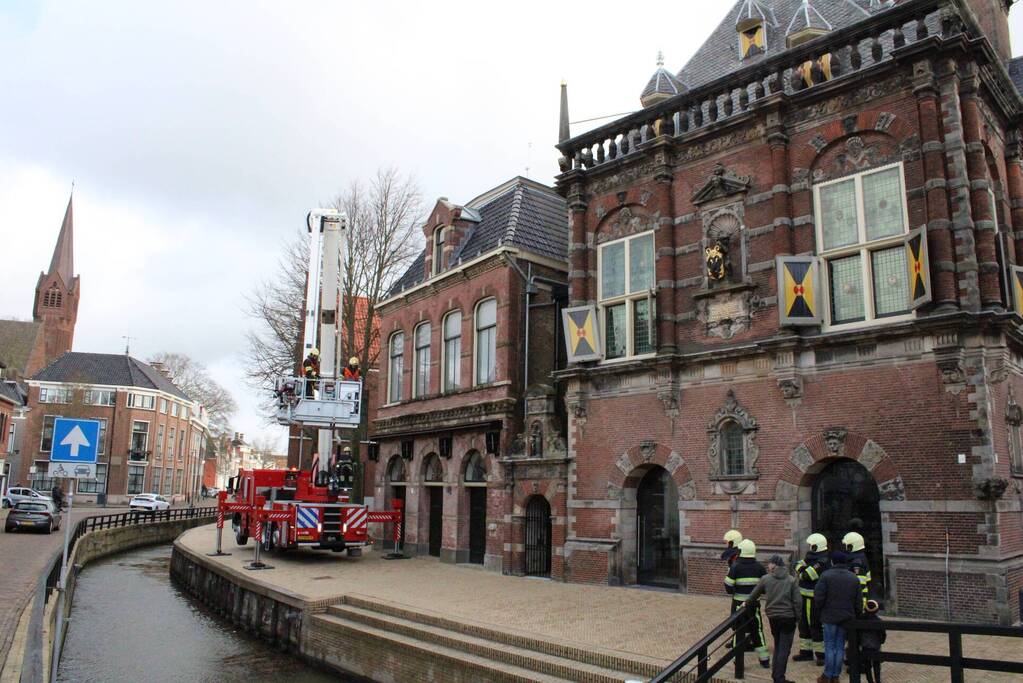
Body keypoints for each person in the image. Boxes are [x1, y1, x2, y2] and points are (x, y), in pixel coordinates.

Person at [749, 555, 801, 683]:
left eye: (769, 564)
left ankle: (776, 675)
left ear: (774, 565)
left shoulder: (766, 579)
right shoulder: (791, 580)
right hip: (789, 617)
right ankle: (779, 678)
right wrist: (798, 618)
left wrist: (746, 603)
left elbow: (753, 595)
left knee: (778, 645)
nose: (768, 566)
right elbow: (798, 602)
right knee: (784, 649)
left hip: (773, 617)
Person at [814, 551, 863, 683]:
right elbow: (859, 600)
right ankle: (835, 676)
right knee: (840, 646)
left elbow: (818, 597)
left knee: (829, 646)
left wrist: (820, 610)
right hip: (846, 617)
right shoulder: (853, 578)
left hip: (829, 617)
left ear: (832, 562)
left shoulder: (826, 576)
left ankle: (827, 675)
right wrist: (857, 615)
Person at [725, 539, 771, 669]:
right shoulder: (760, 567)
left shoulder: (735, 567)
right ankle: (764, 659)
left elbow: (728, 587)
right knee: (757, 631)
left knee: (738, 632)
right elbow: (765, 586)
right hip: (753, 606)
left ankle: (736, 660)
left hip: (739, 605)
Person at [795, 532, 831, 665]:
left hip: (813, 598)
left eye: (811, 545)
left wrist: (801, 569)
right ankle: (806, 652)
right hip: (804, 597)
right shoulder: (812, 558)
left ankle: (821, 655)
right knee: (803, 624)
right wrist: (801, 568)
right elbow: (797, 564)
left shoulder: (822, 561)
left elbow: (806, 575)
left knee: (815, 625)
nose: (809, 547)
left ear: (816, 547)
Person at [857, 597, 886, 683]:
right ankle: (878, 680)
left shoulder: (861, 619)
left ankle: (870, 680)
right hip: (876, 646)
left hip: (865, 645)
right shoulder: (879, 621)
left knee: (867, 665)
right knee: (876, 664)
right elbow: (883, 634)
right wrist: (881, 641)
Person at [843, 531, 872, 608]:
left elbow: (859, 583)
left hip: (858, 599)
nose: (845, 548)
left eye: (847, 545)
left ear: (852, 546)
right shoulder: (860, 557)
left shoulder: (857, 562)